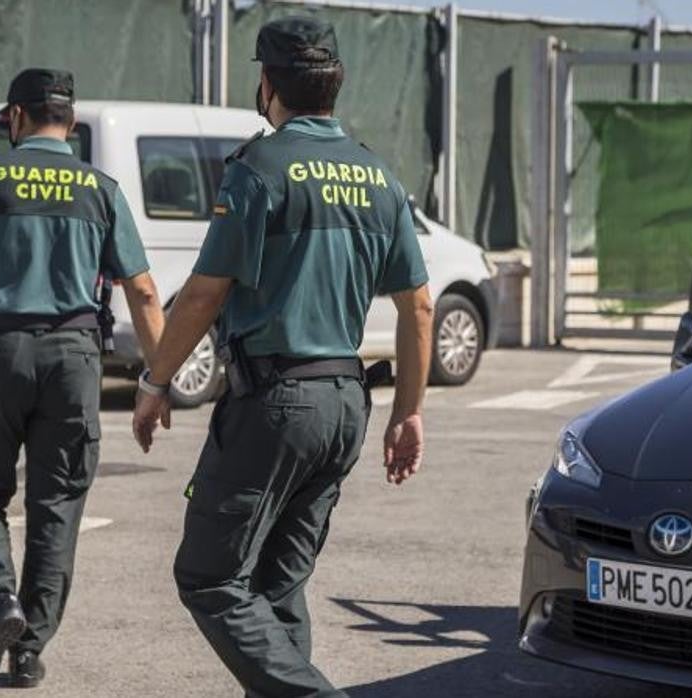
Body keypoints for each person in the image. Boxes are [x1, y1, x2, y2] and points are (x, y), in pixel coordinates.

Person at [131, 17, 434, 697]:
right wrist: (409, 413)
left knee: (208, 577)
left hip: (275, 404)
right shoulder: (377, 176)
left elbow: (206, 293)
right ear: (335, 83)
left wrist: (155, 380)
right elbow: (418, 306)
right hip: (345, 404)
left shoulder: (260, 167)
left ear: (267, 82)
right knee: (275, 582)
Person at [0, 68, 165, 688]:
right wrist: (158, 379)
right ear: (69, 121)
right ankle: (30, 649)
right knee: (57, 506)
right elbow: (144, 292)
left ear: (15, 117)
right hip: (74, 357)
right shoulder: (100, 189)